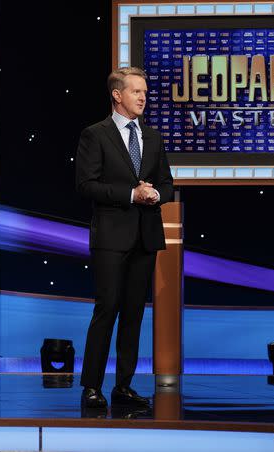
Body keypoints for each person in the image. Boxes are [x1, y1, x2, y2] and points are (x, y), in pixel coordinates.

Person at [76, 66, 174, 409]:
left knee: (134, 314)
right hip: (111, 237)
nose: (143, 97)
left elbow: (167, 185)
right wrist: (131, 194)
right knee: (108, 309)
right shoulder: (95, 135)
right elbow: (86, 185)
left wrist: (155, 196)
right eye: (136, 92)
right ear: (117, 95)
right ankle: (91, 386)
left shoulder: (154, 138)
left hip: (145, 237)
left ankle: (124, 386)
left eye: (145, 92)